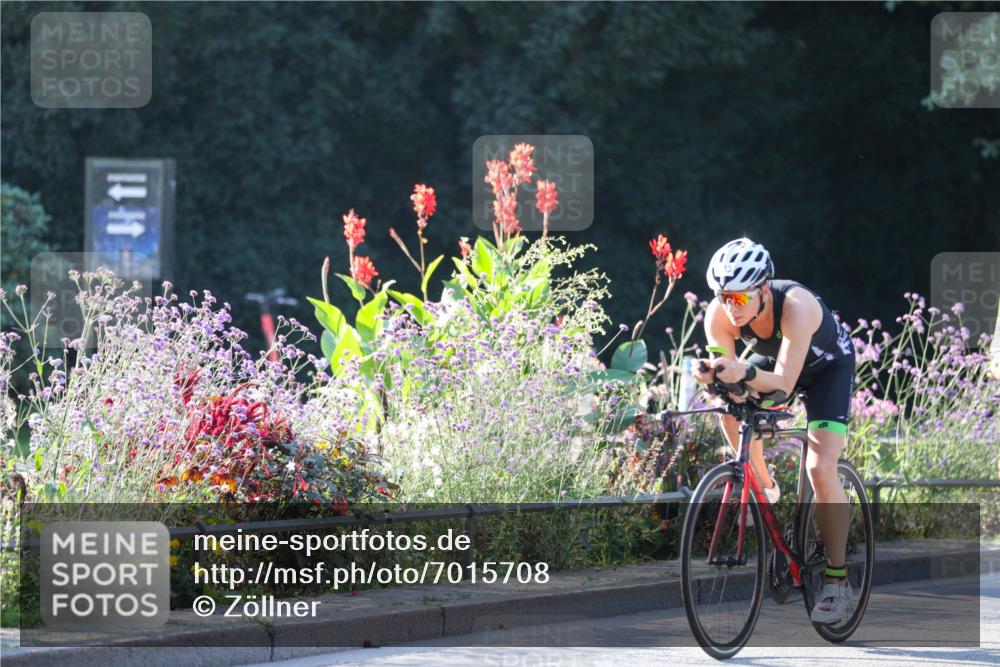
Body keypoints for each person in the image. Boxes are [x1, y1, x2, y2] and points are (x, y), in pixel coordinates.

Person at [691, 237, 856, 624]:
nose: (731, 309)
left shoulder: (798, 306)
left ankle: (837, 580)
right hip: (777, 359)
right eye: (724, 297)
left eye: (741, 299)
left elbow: (782, 383)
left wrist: (745, 370)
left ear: (764, 289)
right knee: (729, 410)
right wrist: (712, 374)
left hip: (826, 370)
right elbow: (726, 369)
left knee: (819, 469)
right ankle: (763, 485)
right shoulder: (719, 313)